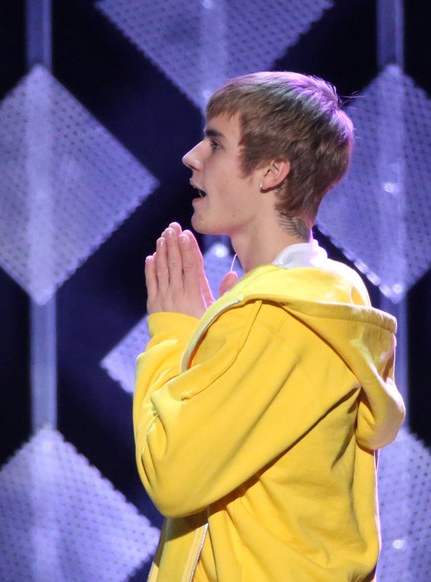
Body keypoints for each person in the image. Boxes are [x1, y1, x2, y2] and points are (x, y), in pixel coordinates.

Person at [134, 71, 405, 581]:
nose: (192, 157)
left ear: (272, 171)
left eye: (215, 143)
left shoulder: (283, 317)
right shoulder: (296, 308)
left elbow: (171, 476)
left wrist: (172, 336)